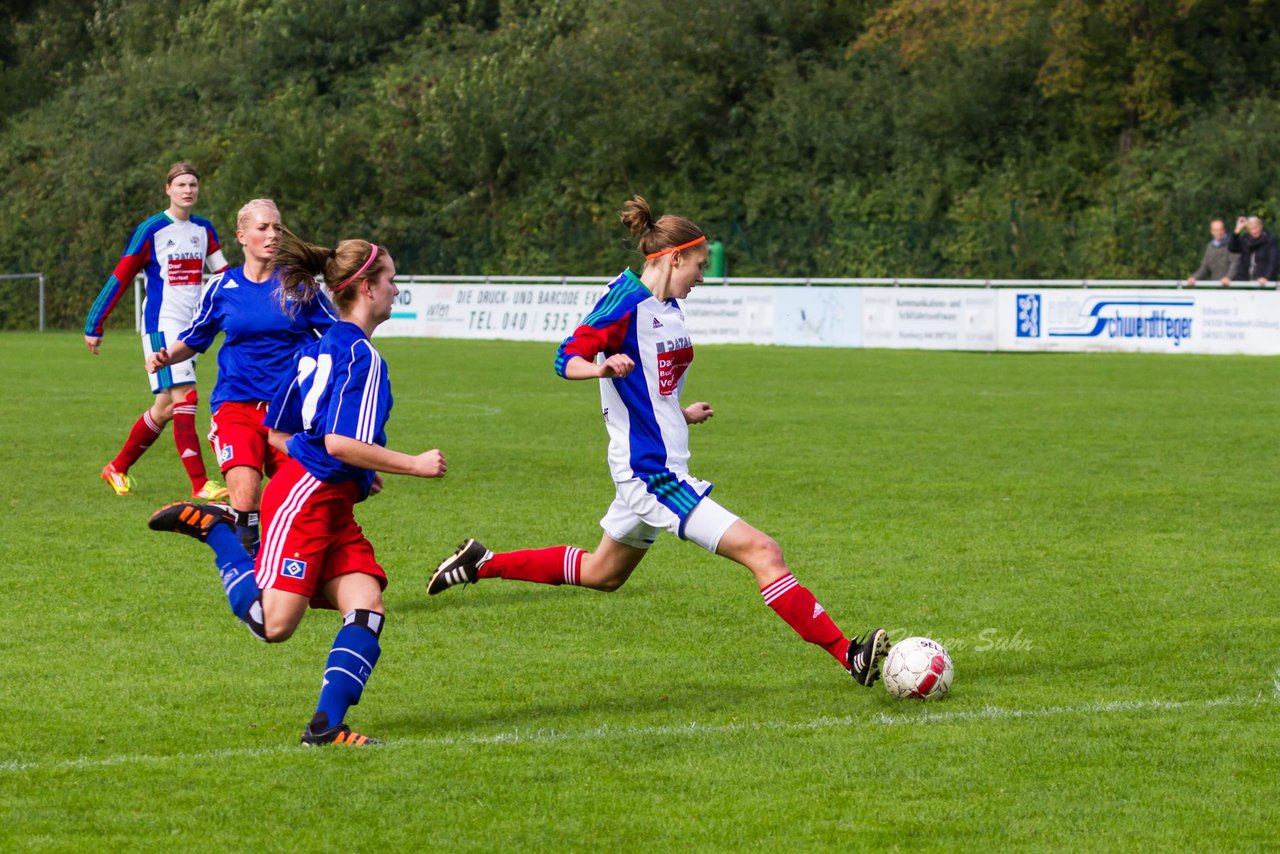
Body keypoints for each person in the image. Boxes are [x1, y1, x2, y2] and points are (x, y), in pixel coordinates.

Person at [429, 196, 890, 687]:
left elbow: (650, 384)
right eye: (698, 264)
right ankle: (850, 656)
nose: (702, 276)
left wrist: (678, 413)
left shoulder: (667, 307)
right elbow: (567, 357)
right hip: (652, 473)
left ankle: (483, 562)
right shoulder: (625, 301)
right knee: (763, 552)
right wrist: (599, 367)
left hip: (655, 461)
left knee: (603, 572)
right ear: (673, 259)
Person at [147, 230, 447, 746]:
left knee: (367, 603)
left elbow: (281, 433)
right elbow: (337, 442)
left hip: (328, 497)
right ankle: (218, 532)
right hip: (307, 497)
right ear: (367, 288)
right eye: (392, 280)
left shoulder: (321, 347)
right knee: (275, 624)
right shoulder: (362, 358)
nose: (397, 289)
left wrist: (357, 471)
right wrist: (412, 464)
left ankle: (326, 727)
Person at [146, 199, 337, 554]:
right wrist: (166, 356)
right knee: (247, 493)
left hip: (290, 412)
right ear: (241, 236)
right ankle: (250, 574)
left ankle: (269, 562)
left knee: (293, 502)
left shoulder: (300, 286)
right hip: (237, 405)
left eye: (277, 228)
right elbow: (195, 337)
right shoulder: (223, 288)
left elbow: (340, 335)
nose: (272, 235)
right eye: (263, 228)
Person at [85, 160, 229, 500]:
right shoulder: (151, 229)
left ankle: (116, 468)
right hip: (162, 328)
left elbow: (224, 275)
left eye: (193, 185)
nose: (188, 190)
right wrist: (96, 321)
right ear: (168, 189)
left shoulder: (204, 230)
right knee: (186, 398)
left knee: (165, 408)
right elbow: (121, 276)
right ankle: (200, 484)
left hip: (191, 332)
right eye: (181, 185)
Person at [1226, 215, 1279, 286]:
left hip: (1263, 282)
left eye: (1255, 228)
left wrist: (1267, 277)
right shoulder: (1245, 240)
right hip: (1245, 280)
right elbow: (1232, 248)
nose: (1254, 231)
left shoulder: (1270, 241)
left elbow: (1274, 262)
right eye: (1250, 229)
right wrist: (1237, 229)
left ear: (1261, 226)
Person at [1186, 218, 1237, 287]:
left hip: (1234, 287)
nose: (1219, 232)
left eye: (1220, 229)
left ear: (1224, 230)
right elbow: (1205, 267)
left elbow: (1235, 264)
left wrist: (1228, 277)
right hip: (1217, 287)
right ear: (1211, 231)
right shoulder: (1210, 247)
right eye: (1216, 230)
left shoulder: (1233, 244)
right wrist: (1194, 278)